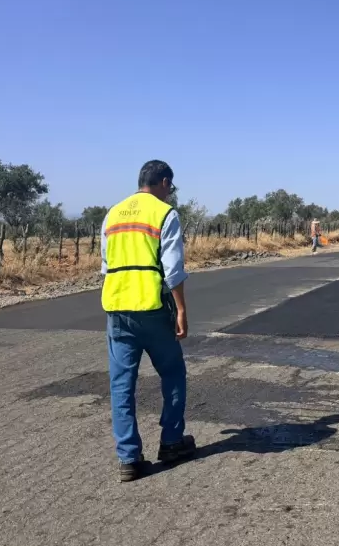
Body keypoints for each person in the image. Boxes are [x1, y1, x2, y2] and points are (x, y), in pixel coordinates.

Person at [101, 160, 196, 482]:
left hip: (117, 309)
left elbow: (105, 265)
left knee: (121, 385)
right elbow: (173, 269)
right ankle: (171, 442)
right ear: (165, 183)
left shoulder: (112, 214)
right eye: (170, 187)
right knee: (172, 373)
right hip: (153, 309)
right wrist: (181, 309)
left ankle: (129, 458)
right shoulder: (164, 213)